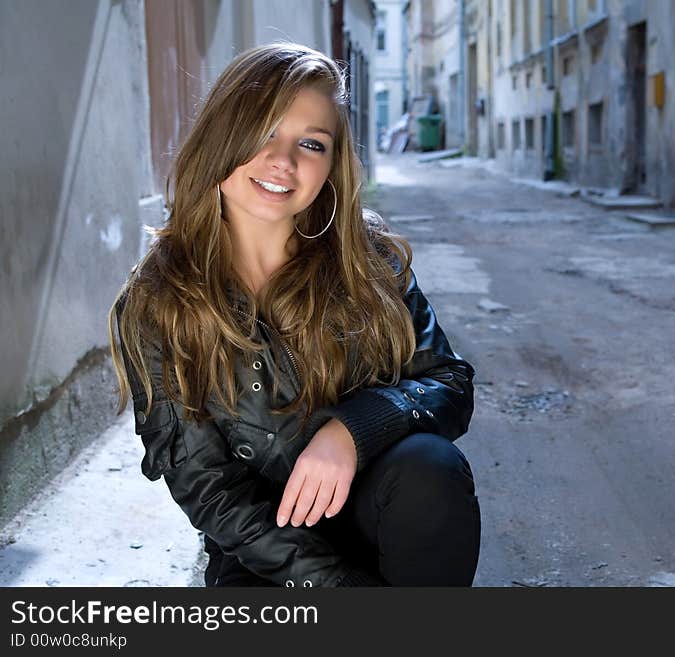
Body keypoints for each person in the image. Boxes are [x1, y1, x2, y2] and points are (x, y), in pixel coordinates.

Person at [107, 42, 481, 587]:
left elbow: (449, 381)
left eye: (311, 143)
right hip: (263, 552)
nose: (283, 162)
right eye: (264, 133)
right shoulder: (158, 301)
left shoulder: (366, 258)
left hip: (382, 510)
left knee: (431, 469)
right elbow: (211, 491)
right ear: (222, 137)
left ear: (331, 164)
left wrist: (353, 430)